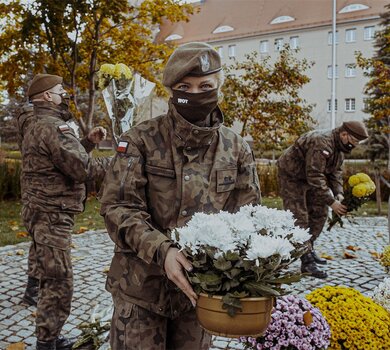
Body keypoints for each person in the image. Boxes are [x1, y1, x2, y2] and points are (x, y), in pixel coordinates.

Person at [99, 42, 261, 350]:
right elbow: (117, 208)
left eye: (205, 86)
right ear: (172, 90)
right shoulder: (140, 141)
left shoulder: (236, 149)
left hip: (200, 295)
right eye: (185, 86)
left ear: (219, 88)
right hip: (141, 291)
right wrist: (164, 251)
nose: (195, 93)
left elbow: (248, 218)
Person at [16, 73, 111, 350]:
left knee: (50, 273)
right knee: (59, 281)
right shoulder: (53, 126)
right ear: (47, 96)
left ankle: (46, 333)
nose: (63, 94)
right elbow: (83, 169)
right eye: (59, 91)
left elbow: (64, 158)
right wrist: (123, 158)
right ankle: (48, 343)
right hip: (52, 214)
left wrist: (89, 142)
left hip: (38, 209)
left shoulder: (36, 123)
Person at [277, 121, 369, 279]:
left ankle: (307, 247)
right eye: (353, 141)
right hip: (292, 176)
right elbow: (315, 175)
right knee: (300, 217)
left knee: (320, 213)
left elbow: (335, 173)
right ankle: (306, 262)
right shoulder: (322, 142)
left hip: (310, 177)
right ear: (344, 134)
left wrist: (338, 193)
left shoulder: (339, 149)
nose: (354, 145)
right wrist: (332, 202)